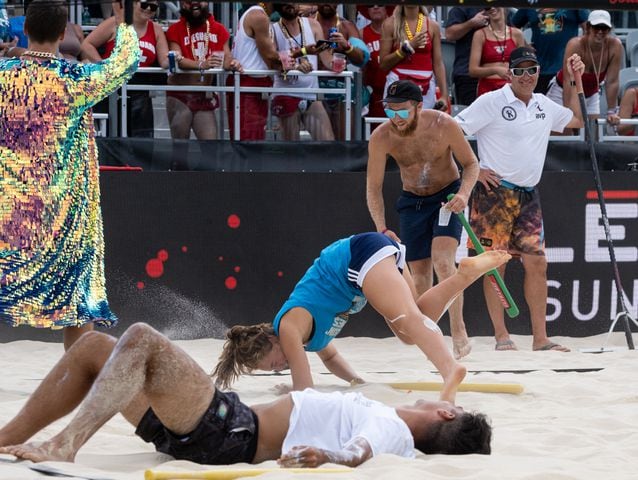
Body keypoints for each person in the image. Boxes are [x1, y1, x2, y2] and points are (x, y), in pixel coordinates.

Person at [0, 324, 492, 465]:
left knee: (143, 339)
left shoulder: (387, 428)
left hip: (226, 431)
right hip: (210, 429)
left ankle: (65, 444)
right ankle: (6, 438)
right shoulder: (403, 420)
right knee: (93, 348)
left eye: (451, 404)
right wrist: (452, 382)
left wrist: (327, 455)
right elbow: (446, 402)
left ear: (447, 415)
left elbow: (358, 453)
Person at [214, 232, 511, 402]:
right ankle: (464, 275)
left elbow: (305, 391)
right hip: (368, 260)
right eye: (275, 370)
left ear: (270, 340)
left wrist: (289, 390)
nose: (280, 367)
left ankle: (449, 370)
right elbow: (331, 360)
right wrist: (357, 381)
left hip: (358, 258)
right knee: (410, 327)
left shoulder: (289, 327)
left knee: (408, 319)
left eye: (273, 363)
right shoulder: (308, 339)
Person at [0, 0, 139, 349]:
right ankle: (79, 382)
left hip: (9, 211)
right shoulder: (74, 79)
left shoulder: (3, 76)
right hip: (63, 217)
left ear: (26, 29)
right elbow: (124, 65)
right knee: (77, 307)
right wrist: (124, 24)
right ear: (64, 35)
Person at [454, 47, 585, 352]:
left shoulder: (543, 104)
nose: (527, 76)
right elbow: (454, 128)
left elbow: (576, 120)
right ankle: (502, 336)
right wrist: (473, 166)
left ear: (539, 72)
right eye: (520, 70)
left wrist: (574, 79)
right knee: (495, 265)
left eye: (532, 69)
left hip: (528, 195)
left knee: (537, 264)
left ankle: (540, 339)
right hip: (494, 194)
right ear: (509, 73)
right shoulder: (492, 101)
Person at [366, 80, 480, 360]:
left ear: (419, 107)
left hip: (446, 195)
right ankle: (428, 335)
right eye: (390, 111)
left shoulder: (444, 125)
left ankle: (459, 327)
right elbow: (373, 187)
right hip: (412, 200)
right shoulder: (382, 137)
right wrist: (381, 227)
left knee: (443, 260)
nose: (395, 118)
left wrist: (464, 195)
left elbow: (471, 164)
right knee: (418, 276)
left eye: (402, 111)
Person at [82, 0, 169, 138]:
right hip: (113, 87)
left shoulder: (156, 29)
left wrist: (175, 60)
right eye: (144, 4)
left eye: (153, 7)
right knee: (113, 135)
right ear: (134, 3)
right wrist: (103, 66)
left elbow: (164, 59)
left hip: (141, 91)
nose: (148, 9)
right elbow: (87, 44)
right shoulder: (114, 23)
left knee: (142, 140)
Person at [165, 0, 242, 140]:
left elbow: (226, 59)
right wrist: (202, 64)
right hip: (180, 94)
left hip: (203, 96)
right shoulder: (174, 29)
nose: (195, 4)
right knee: (180, 149)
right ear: (182, 4)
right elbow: (177, 59)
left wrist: (233, 64)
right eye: (188, 1)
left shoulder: (219, 29)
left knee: (210, 146)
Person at [270, 3, 334, 141]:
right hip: (286, 94)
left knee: (328, 143)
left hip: (311, 94)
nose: (290, 4)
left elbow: (326, 58)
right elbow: (273, 62)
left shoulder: (313, 24)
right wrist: (294, 67)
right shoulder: (273, 30)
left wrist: (342, 55)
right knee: (291, 149)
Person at [546, 10, 623, 124]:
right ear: (588, 27)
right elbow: (569, 81)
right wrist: (569, 112)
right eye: (596, 27)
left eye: (604, 28)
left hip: (591, 95)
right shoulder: (576, 44)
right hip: (563, 91)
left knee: (592, 136)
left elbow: (612, 82)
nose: (600, 31)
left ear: (609, 29)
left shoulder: (615, 46)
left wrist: (611, 111)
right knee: (566, 135)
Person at [227, 3, 282, 141]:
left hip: (251, 83)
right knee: (248, 141)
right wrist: (304, 53)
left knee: (251, 139)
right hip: (248, 84)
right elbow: (270, 55)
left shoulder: (258, 14)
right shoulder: (258, 16)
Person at [314, 3, 369, 140]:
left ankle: (345, 157)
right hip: (313, 85)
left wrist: (346, 46)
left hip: (340, 87)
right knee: (323, 140)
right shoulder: (308, 23)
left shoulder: (346, 26)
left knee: (343, 137)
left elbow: (362, 58)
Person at [379, 5, 449, 111]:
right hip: (398, 83)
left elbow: (438, 63)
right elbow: (384, 64)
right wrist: (405, 49)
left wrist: (444, 96)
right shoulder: (390, 24)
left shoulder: (432, 26)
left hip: (426, 86)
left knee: (423, 125)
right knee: (400, 124)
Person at [511, 8, 589, 94]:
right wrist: (524, 45)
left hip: (566, 71)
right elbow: (511, 27)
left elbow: (588, 28)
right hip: (538, 70)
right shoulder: (531, 2)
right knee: (538, 106)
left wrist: (581, 51)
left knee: (567, 106)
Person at [469, 7, 525, 97]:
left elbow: (523, 66)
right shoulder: (480, 35)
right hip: (488, 88)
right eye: (488, 7)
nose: (492, 8)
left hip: (511, 87)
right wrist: (495, 70)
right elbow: (473, 70)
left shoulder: (517, 34)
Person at [444, 7, 491, 106]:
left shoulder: (498, 7)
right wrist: (471, 23)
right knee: (471, 117)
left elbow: (512, 31)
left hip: (495, 75)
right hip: (468, 75)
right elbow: (449, 34)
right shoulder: (462, 8)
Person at [360, 5, 390, 123]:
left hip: (395, 92)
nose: (375, 7)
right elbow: (360, 67)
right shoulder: (362, 33)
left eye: (380, 3)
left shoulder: (397, 31)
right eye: (370, 4)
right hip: (374, 95)